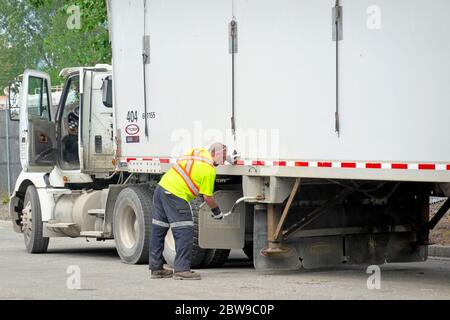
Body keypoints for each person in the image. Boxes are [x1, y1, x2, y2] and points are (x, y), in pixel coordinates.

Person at [149, 142, 236, 280]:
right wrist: (217, 212)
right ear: (217, 154)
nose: (224, 161)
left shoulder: (198, 152)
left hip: (161, 188)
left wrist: (229, 158)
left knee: (158, 230)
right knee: (184, 231)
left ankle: (156, 269)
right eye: (223, 157)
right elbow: (207, 197)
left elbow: (211, 155)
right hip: (175, 195)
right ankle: (181, 270)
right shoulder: (209, 170)